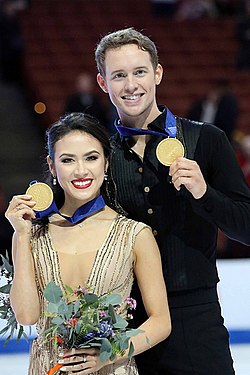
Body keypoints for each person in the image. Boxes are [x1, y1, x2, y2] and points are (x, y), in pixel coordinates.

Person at [95, 27, 250, 374]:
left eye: (139, 72)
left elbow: (247, 226)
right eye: (118, 75)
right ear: (103, 83)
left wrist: (203, 192)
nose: (131, 85)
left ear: (158, 73)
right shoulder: (99, 156)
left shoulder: (206, 140)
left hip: (196, 318)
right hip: (128, 322)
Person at [5, 113, 171, 375]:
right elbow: (27, 316)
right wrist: (22, 235)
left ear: (106, 162)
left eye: (91, 158)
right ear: (51, 166)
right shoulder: (30, 235)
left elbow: (161, 321)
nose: (81, 170)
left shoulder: (134, 234)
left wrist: (107, 355)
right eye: (67, 160)